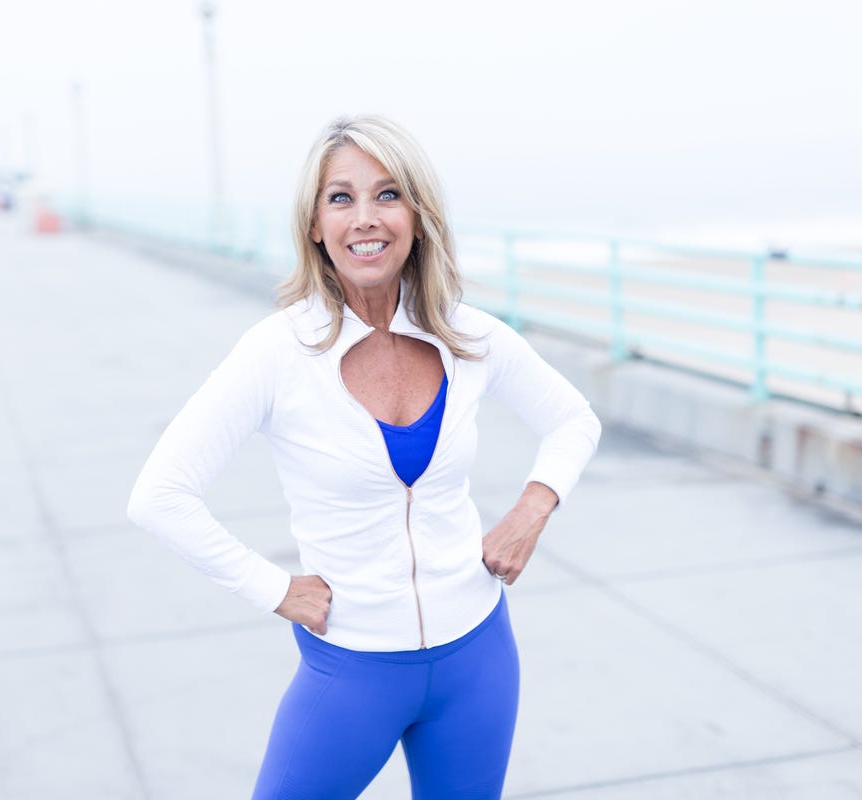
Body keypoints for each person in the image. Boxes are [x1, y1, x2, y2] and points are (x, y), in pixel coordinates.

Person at [127, 114, 601, 799]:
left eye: (387, 194)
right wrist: (275, 589)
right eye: (340, 198)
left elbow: (571, 418)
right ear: (315, 224)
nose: (365, 218)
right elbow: (159, 494)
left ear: (417, 215)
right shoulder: (278, 352)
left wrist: (534, 505)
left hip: (478, 654)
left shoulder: (467, 335)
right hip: (351, 670)